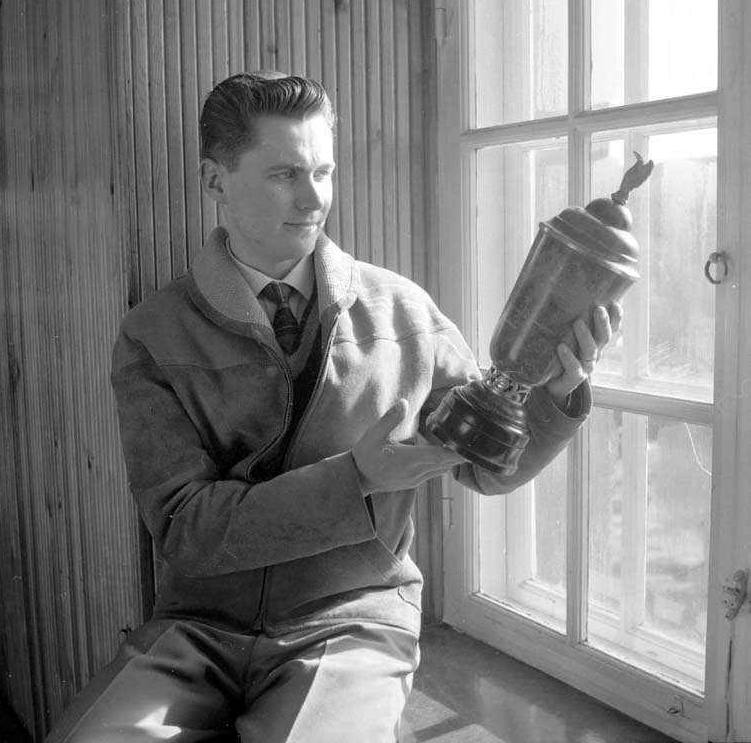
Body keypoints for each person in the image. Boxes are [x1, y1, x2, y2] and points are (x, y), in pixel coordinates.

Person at [46, 71, 621, 743]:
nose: (313, 196)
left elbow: (487, 468)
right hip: (196, 629)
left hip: (352, 622)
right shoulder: (154, 334)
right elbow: (185, 531)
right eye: (284, 174)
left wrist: (553, 395)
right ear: (214, 181)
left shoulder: (405, 312)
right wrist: (357, 480)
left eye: (323, 171)